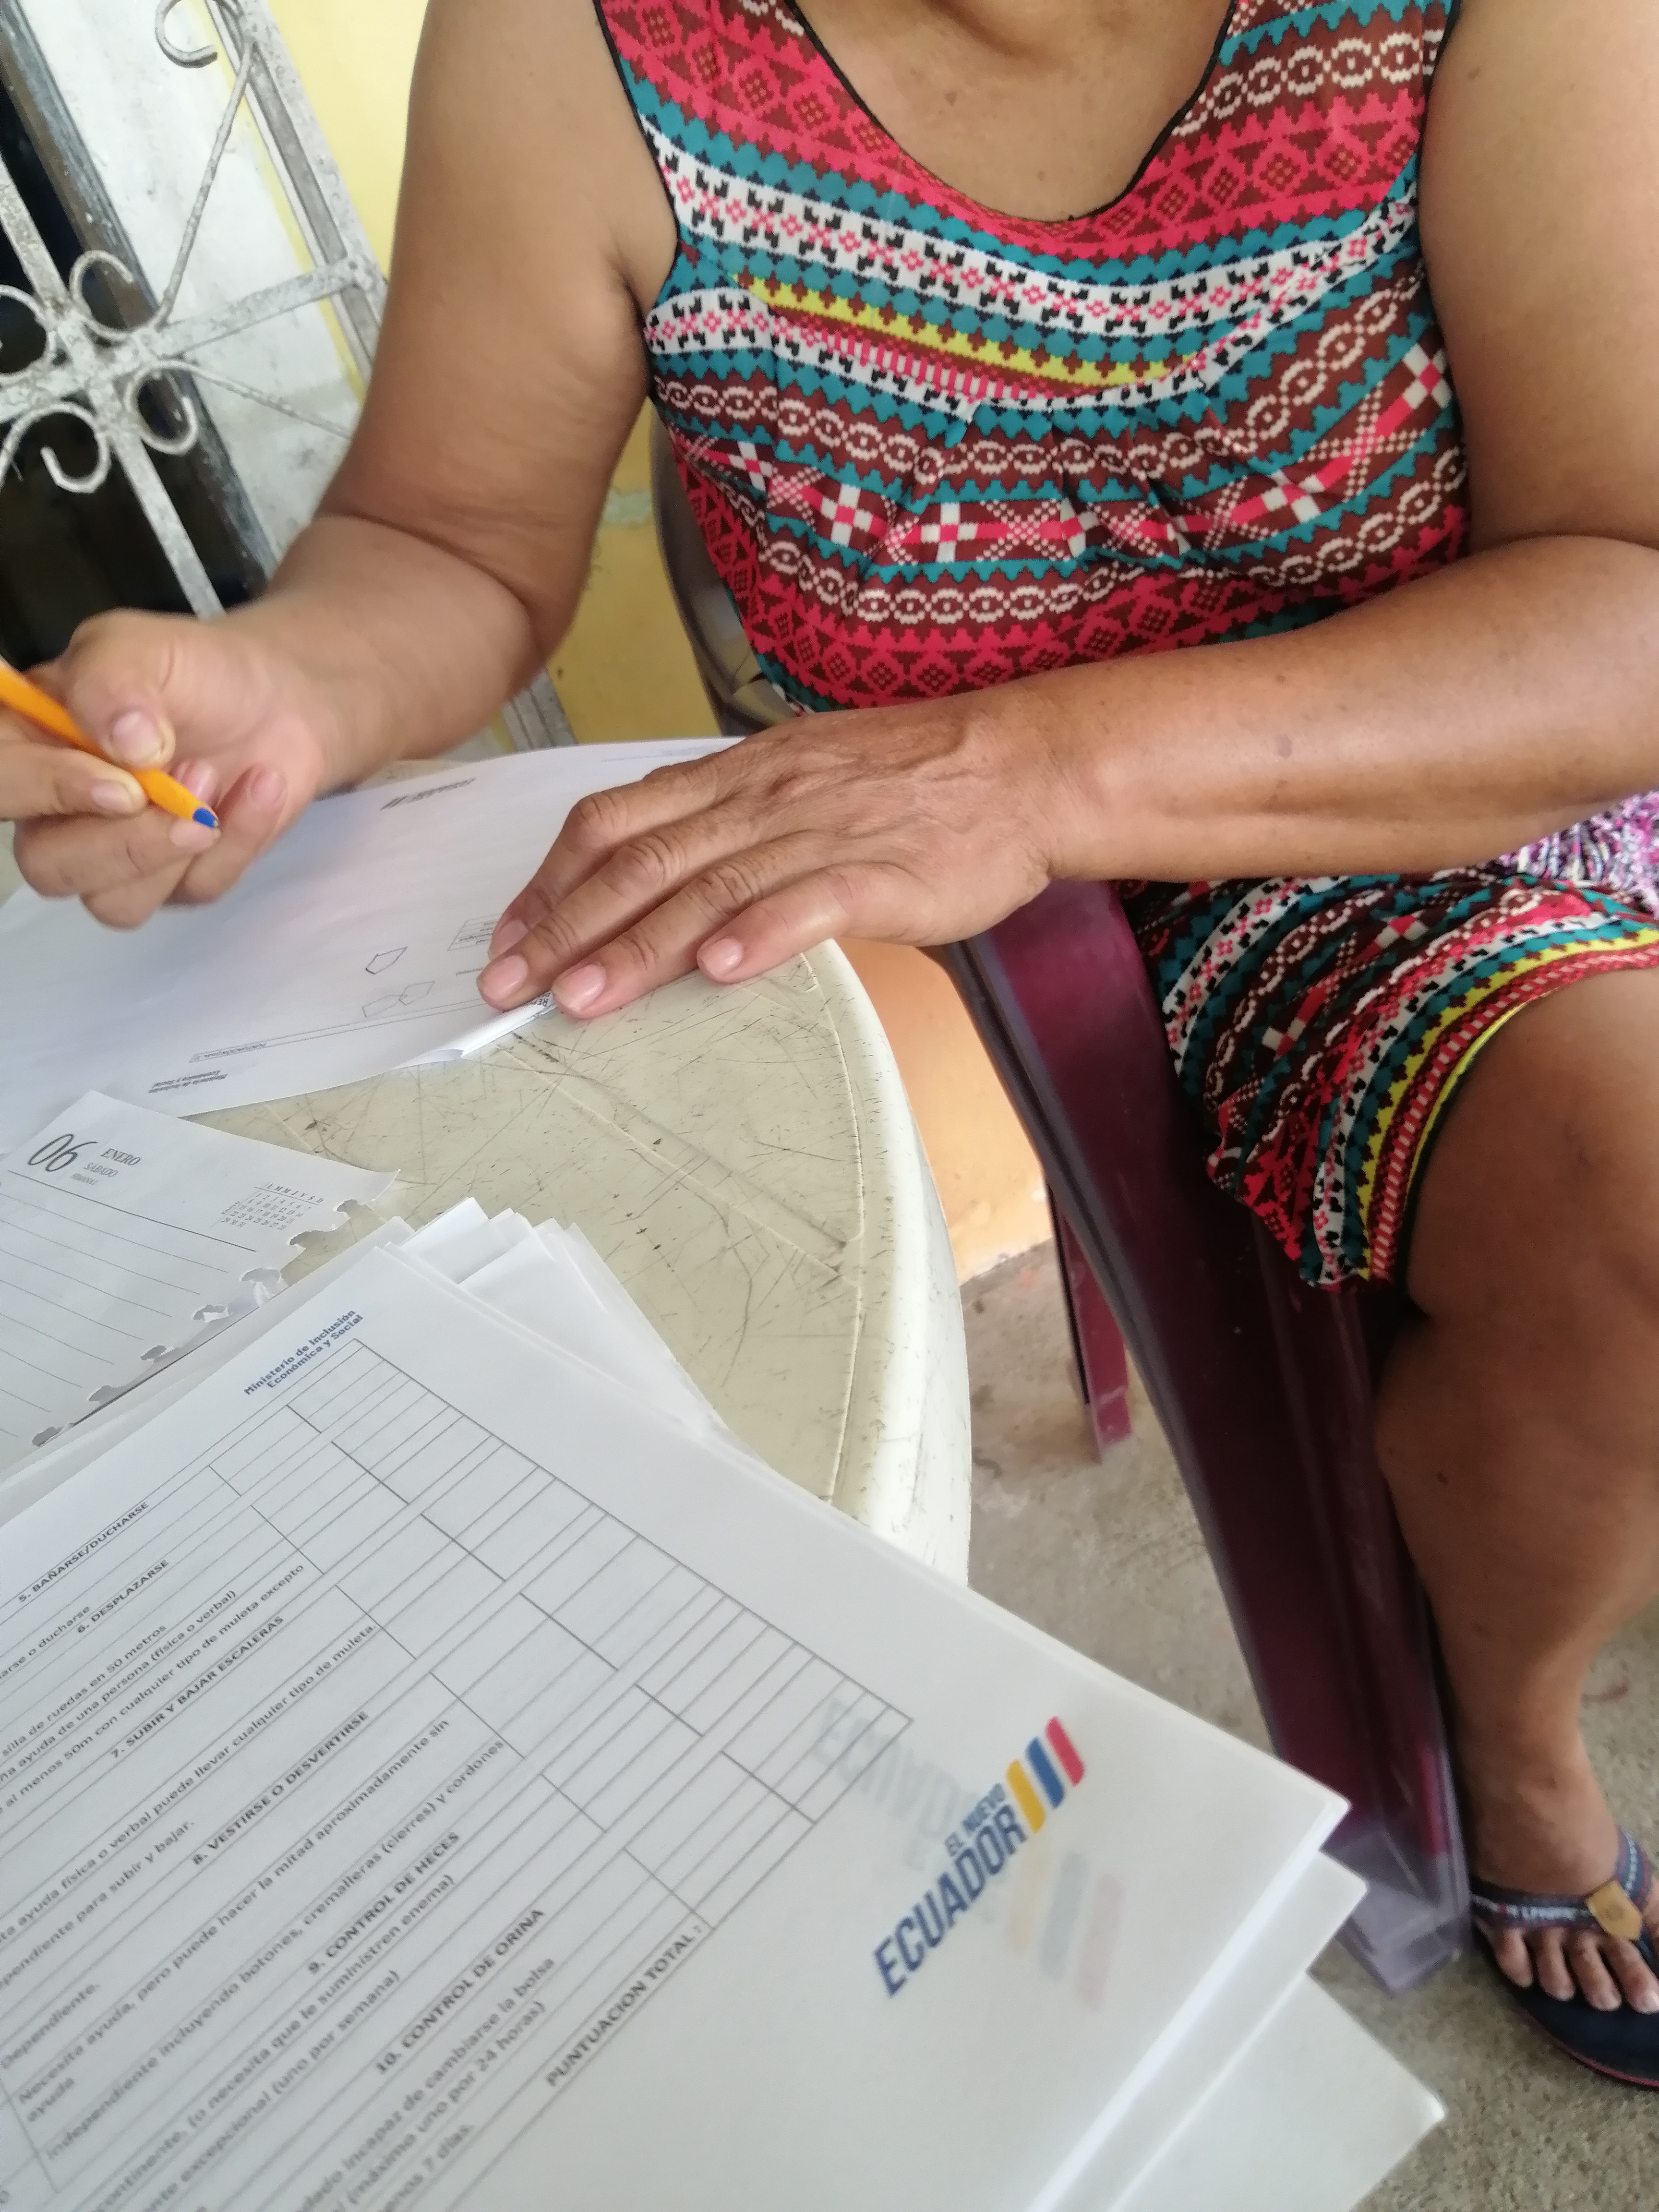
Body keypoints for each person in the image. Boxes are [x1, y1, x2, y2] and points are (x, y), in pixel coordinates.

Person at [4, 0, 1659, 2084]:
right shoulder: (580, 42)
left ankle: (1527, 1609)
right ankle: (1495, 1738)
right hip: (1188, 895)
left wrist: (1028, 766)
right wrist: (283, 692)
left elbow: (1625, 596)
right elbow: (449, 542)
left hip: (1469, 767)